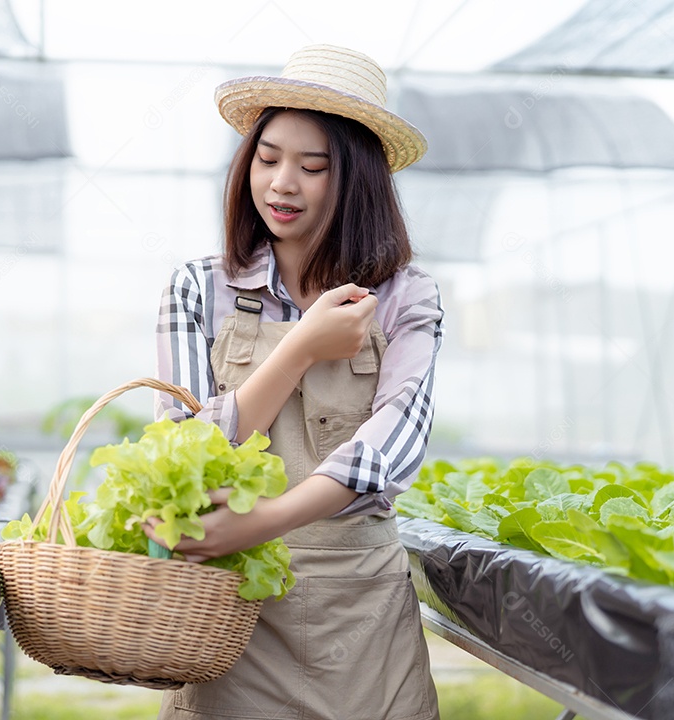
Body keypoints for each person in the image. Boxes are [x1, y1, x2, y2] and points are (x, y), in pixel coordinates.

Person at [149, 44, 443, 720]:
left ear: (358, 181)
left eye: (313, 167)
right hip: (233, 612)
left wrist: (261, 522)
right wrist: (302, 348)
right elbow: (186, 451)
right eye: (268, 157)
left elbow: (394, 445)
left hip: (361, 613)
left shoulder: (405, 297)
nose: (282, 183)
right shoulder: (197, 288)